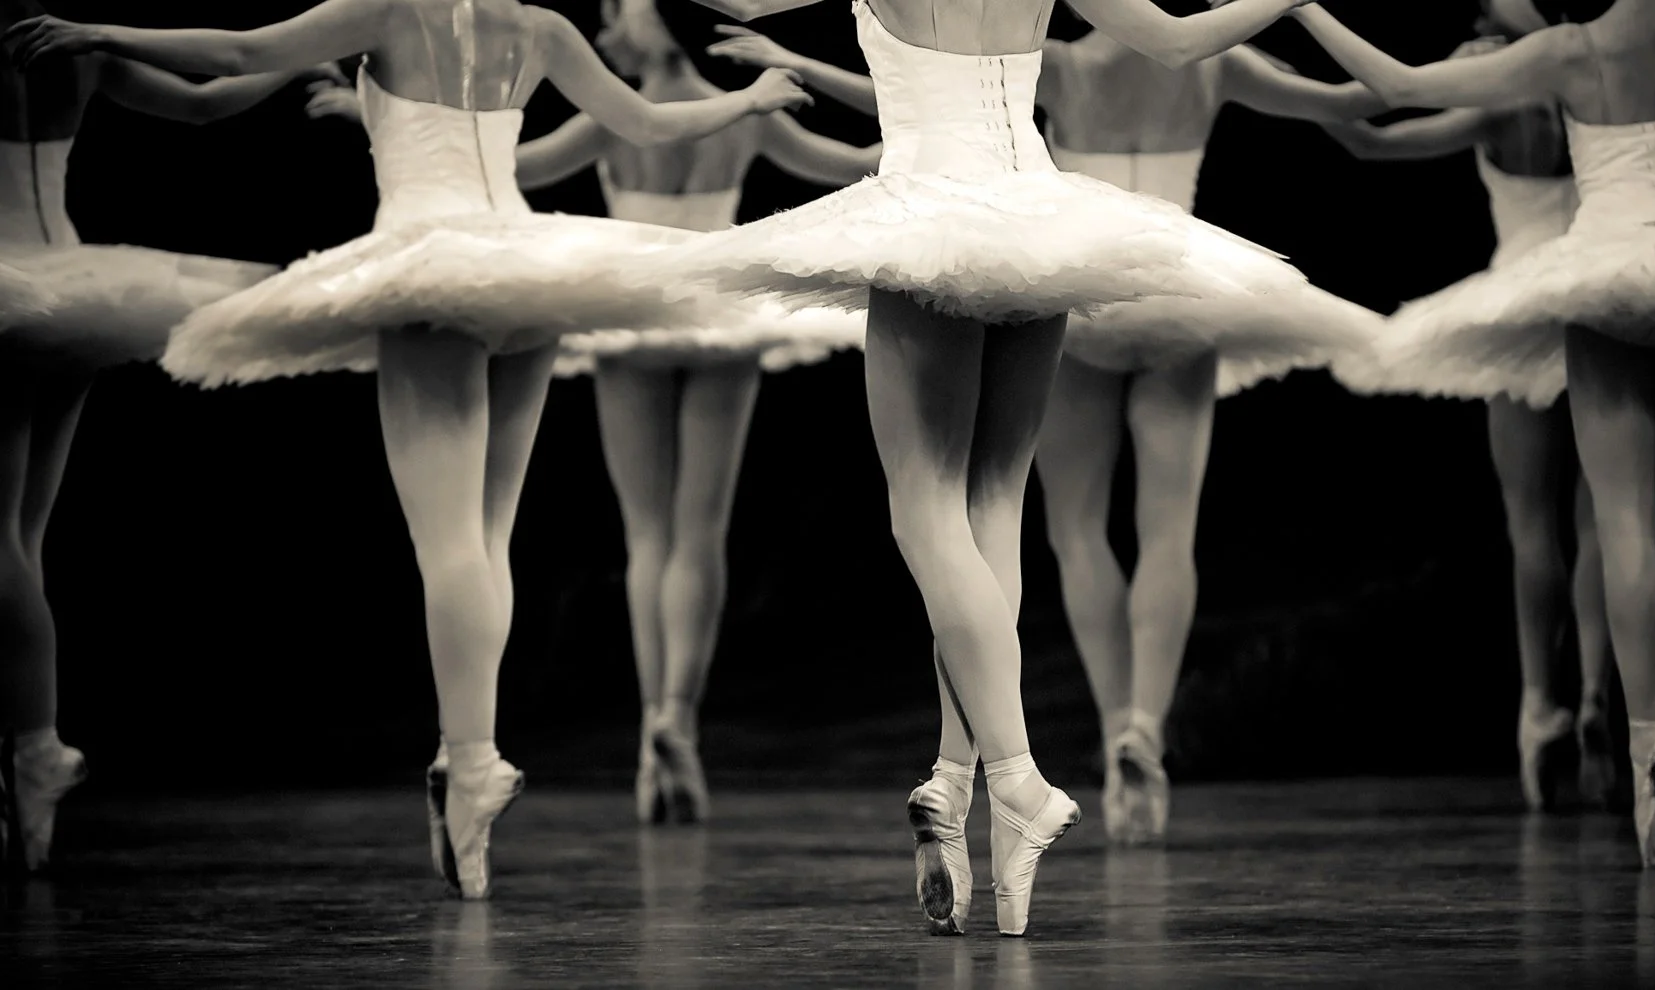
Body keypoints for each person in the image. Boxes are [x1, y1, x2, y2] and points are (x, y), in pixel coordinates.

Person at [5, 0, 808, 899]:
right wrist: (749, 100)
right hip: (529, 267)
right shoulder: (538, 25)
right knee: (491, 535)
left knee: (448, 540)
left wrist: (106, 31)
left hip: (430, 261)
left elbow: (237, 51)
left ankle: (474, 757)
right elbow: (648, 121)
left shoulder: (384, 9)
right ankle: (473, 760)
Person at [670, 0, 1326, 937]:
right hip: (1039, 220)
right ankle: (956, 778)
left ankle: (1018, 780)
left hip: (931, 214)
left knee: (924, 507)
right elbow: (1179, 39)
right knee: (993, 509)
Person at [1291, 0, 1655, 868]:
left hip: (1605, 282)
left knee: (1623, 526)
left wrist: (1303, 7)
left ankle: (1641, 747)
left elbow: (1399, 85)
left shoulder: (1574, 50)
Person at [0, 0, 344, 873]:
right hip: (71, 283)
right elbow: (201, 103)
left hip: (14, 286)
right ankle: (28, 755)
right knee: (23, 537)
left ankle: (35, 742)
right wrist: (297, 64)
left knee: (5, 540)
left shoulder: (57, 48)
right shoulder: (74, 50)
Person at [1319, 0, 1619, 813]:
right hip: (1607, 292)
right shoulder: (1599, 77)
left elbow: (1374, 139)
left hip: (1519, 306)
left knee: (1531, 523)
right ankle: (1599, 691)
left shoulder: (1494, 92)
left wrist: (1311, 102)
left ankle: (1540, 702)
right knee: (1606, 518)